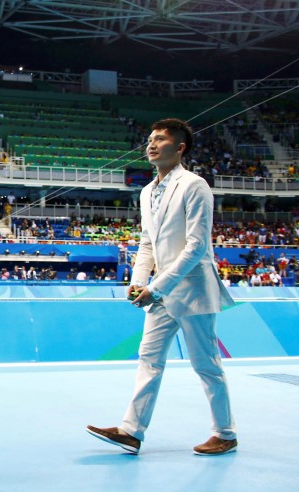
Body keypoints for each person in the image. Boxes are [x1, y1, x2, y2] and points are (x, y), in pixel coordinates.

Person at [87, 118, 237, 456]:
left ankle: (225, 433)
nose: (151, 145)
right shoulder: (146, 191)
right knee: (148, 359)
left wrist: (157, 286)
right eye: (149, 139)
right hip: (158, 291)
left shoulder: (195, 185)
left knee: (206, 364)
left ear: (180, 148)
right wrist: (138, 281)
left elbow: (197, 246)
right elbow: (147, 244)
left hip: (193, 289)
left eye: (160, 140)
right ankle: (131, 430)